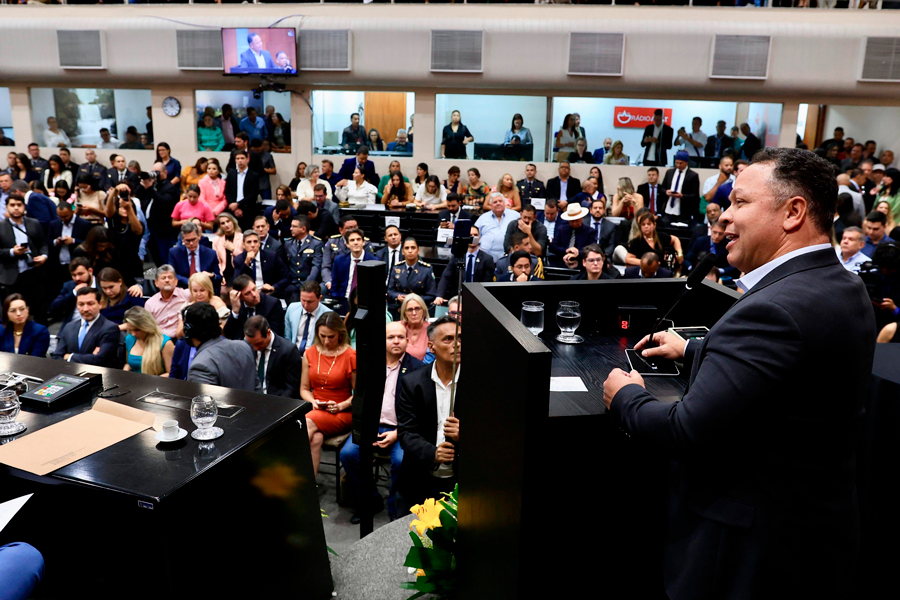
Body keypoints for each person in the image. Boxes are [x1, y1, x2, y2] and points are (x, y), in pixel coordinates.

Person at [341, 321, 424, 523]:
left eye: (400, 337)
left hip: (402, 430)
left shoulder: (418, 369)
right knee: (348, 454)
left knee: (401, 460)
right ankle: (370, 501)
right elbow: (360, 399)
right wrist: (365, 429)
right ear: (382, 340)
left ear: (407, 340)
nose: (396, 341)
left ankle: (395, 510)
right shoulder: (370, 365)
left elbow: (420, 413)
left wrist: (397, 433)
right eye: (390, 337)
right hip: (372, 425)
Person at [396, 315, 461, 508]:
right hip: (420, 476)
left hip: (462, 480)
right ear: (431, 347)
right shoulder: (413, 382)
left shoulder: (480, 384)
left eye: (460, 338)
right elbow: (406, 433)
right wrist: (433, 452)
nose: (457, 344)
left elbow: (493, 435)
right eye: (448, 339)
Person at [302, 311, 356, 476]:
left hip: (343, 412)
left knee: (305, 424)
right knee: (315, 439)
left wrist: (341, 405)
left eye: (331, 337)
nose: (326, 341)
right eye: (322, 336)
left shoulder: (350, 356)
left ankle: (290, 481)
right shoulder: (310, 353)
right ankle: (309, 488)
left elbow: (359, 394)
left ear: (340, 334)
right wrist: (313, 401)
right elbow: (304, 388)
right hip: (318, 409)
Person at [184, 301, 260, 392]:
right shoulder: (244, 347)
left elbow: (205, 405)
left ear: (188, 330)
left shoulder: (200, 366)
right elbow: (258, 390)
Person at [0, 193, 49, 322]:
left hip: (34, 272)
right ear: (6, 207)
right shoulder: (1, 227)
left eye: (19, 205)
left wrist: (44, 256)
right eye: (12, 205)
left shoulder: (34, 223)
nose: (16, 208)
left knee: (40, 308)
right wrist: (12, 252)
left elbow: (43, 244)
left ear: (24, 207)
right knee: (14, 311)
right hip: (12, 275)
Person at [51, 287, 120, 366]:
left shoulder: (110, 328)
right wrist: (90, 357)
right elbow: (56, 356)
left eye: (90, 304)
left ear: (100, 304)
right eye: (81, 304)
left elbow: (100, 359)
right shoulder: (69, 327)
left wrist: (69, 356)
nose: (85, 309)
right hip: (69, 373)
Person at [244, 315, 301, 398]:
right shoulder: (246, 346)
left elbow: (292, 388)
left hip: (277, 401)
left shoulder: (288, 351)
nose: (255, 348)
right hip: (251, 398)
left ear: (268, 333)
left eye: (258, 343)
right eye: (251, 344)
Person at [435, 226, 495, 303]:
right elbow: (446, 277)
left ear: (479, 238)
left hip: (478, 298)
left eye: (475, 235)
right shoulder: (457, 257)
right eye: (470, 235)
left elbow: (487, 282)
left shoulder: (487, 259)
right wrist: (439, 296)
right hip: (457, 297)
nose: (472, 237)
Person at [223, 274, 286, 341]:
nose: (254, 295)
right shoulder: (238, 304)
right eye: (247, 293)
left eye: (254, 289)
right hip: (241, 346)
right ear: (240, 296)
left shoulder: (272, 304)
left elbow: (276, 334)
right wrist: (235, 311)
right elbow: (228, 334)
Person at [330, 228, 377, 314]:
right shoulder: (339, 261)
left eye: (358, 239)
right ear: (347, 244)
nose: (355, 242)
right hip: (344, 301)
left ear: (364, 242)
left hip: (366, 303)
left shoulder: (374, 262)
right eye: (352, 240)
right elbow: (334, 286)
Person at [233, 229, 290, 298]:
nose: (253, 245)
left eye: (255, 242)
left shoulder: (271, 256)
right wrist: (246, 263)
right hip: (249, 296)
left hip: (270, 294)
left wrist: (273, 287)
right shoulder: (239, 260)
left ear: (259, 244)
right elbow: (236, 283)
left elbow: (287, 277)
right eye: (249, 242)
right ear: (243, 245)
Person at [321, 216, 373, 289]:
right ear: (341, 230)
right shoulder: (332, 242)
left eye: (355, 227)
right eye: (349, 228)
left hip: (357, 278)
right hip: (336, 278)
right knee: (322, 288)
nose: (353, 230)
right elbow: (326, 267)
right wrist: (329, 282)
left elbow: (370, 266)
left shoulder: (365, 243)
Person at [49, 198, 92, 285]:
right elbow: (47, 241)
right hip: (58, 265)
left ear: (72, 212)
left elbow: (89, 243)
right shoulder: (54, 224)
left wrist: (74, 241)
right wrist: (56, 242)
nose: (63, 219)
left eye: (66, 216)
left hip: (76, 264)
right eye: (60, 217)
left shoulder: (84, 224)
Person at [280, 215, 323, 301]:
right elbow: (285, 265)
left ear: (303, 229)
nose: (290, 229)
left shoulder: (316, 244)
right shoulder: (288, 243)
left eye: (294, 226)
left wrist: (307, 284)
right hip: (292, 283)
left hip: (308, 282)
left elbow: (316, 266)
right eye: (291, 226)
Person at [122, 306, 174, 376]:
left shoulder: (165, 343)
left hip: (156, 384)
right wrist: (124, 374)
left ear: (146, 326)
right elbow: (128, 364)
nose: (133, 334)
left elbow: (170, 373)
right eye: (130, 330)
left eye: (137, 330)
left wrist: (151, 382)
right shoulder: (129, 339)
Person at [170, 222, 222, 291]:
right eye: (188, 241)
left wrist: (212, 275)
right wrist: (191, 282)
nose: (191, 243)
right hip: (183, 288)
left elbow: (218, 277)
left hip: (205, 289)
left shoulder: (210, 253)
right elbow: (173, 274)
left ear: (199, 237)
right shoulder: (174, 252)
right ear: (182, 239)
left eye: (193, 239)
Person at [285, 280, 333, 354]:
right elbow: (287, 337)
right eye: (303, 300)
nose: (305, 305)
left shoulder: (328, 314)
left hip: (316, 356)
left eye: (310, 302)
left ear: (320, 298)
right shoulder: (292, 309)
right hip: (293, 355)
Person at [388, 238, 436, 308]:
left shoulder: (426, 270)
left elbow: (431, 295)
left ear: (418, 251)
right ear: (402, 251)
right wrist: (398, 296)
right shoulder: (396, 268)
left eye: (413, 248)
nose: (410, 251)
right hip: (399, 307)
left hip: (419, 307)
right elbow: (390, 291)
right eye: (407, 248)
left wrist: (412, 299)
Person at [145, 265, 192, 338]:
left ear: (176, 281)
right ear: (156, 283)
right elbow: (148, 327)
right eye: (163, 278)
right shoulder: (150, 303)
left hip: (182, 339)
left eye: (170, 277)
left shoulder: (186, 294)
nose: (167, 280)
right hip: (160, 340)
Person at [549, 203, 596, 268]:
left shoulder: (590, 232)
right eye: (572, 221)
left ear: (581, 218)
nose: (574, 223)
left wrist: (578, 253)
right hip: (561, 262)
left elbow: (592, 250)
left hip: (582, 264)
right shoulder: (561, 229)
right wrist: (566, 250)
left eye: (576, 220)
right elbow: (552, 247)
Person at [660, 150, 702, 223]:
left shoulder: (693, 175)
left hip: (683, 211)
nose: (678, 165)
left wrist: (682, 196)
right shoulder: (669, 173)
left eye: (681, 163)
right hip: (668, 210)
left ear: (686, 163)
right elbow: (662, 189)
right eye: (676, 163)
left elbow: (695, 195)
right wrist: (666, 192)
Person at [224, 150, 260, 231]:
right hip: (232, 209)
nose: (240, 161)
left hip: (248, 210)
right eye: (237, 158)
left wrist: (238, 204)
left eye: (242, 158)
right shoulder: (231, 174)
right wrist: (234, 207)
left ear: (247, 159)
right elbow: (227, 191)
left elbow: (253, 194)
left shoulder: (254, 175)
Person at [212, 212, 242, 287]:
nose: (226, 225)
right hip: (223, 271)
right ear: (220, 226)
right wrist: (220, 275)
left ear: (233, 221)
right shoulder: (216, 240)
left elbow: (245, 258)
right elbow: (216, 261)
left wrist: (233, 250)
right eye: (223, 223)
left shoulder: (242, 238)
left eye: (228, 221)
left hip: (238, 271)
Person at [399, 293, 430, 361]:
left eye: (417, 308)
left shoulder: (432, 329)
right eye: (410, 310)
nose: (414, 313)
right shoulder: (397, 327)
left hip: (423, 369)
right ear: (405, 312)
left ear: (423, 310)